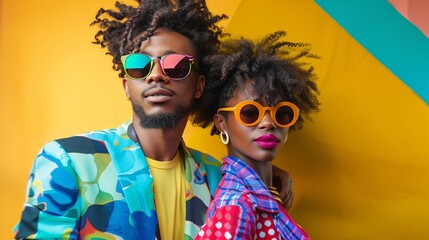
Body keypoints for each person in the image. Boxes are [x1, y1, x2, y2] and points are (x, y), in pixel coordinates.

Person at [14, 0, 293, 239]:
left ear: (199, 86)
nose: (156, 75)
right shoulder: (68, 161)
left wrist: (270, 173)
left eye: (177, 66)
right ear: (126, 85)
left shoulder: (217, 178)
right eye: (139, 65)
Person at [191, 31, 320, 239]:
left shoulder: (263, 197)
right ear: (221, 123)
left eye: (282, 113)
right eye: (250, 113)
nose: (268, 123)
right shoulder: (236, 205)